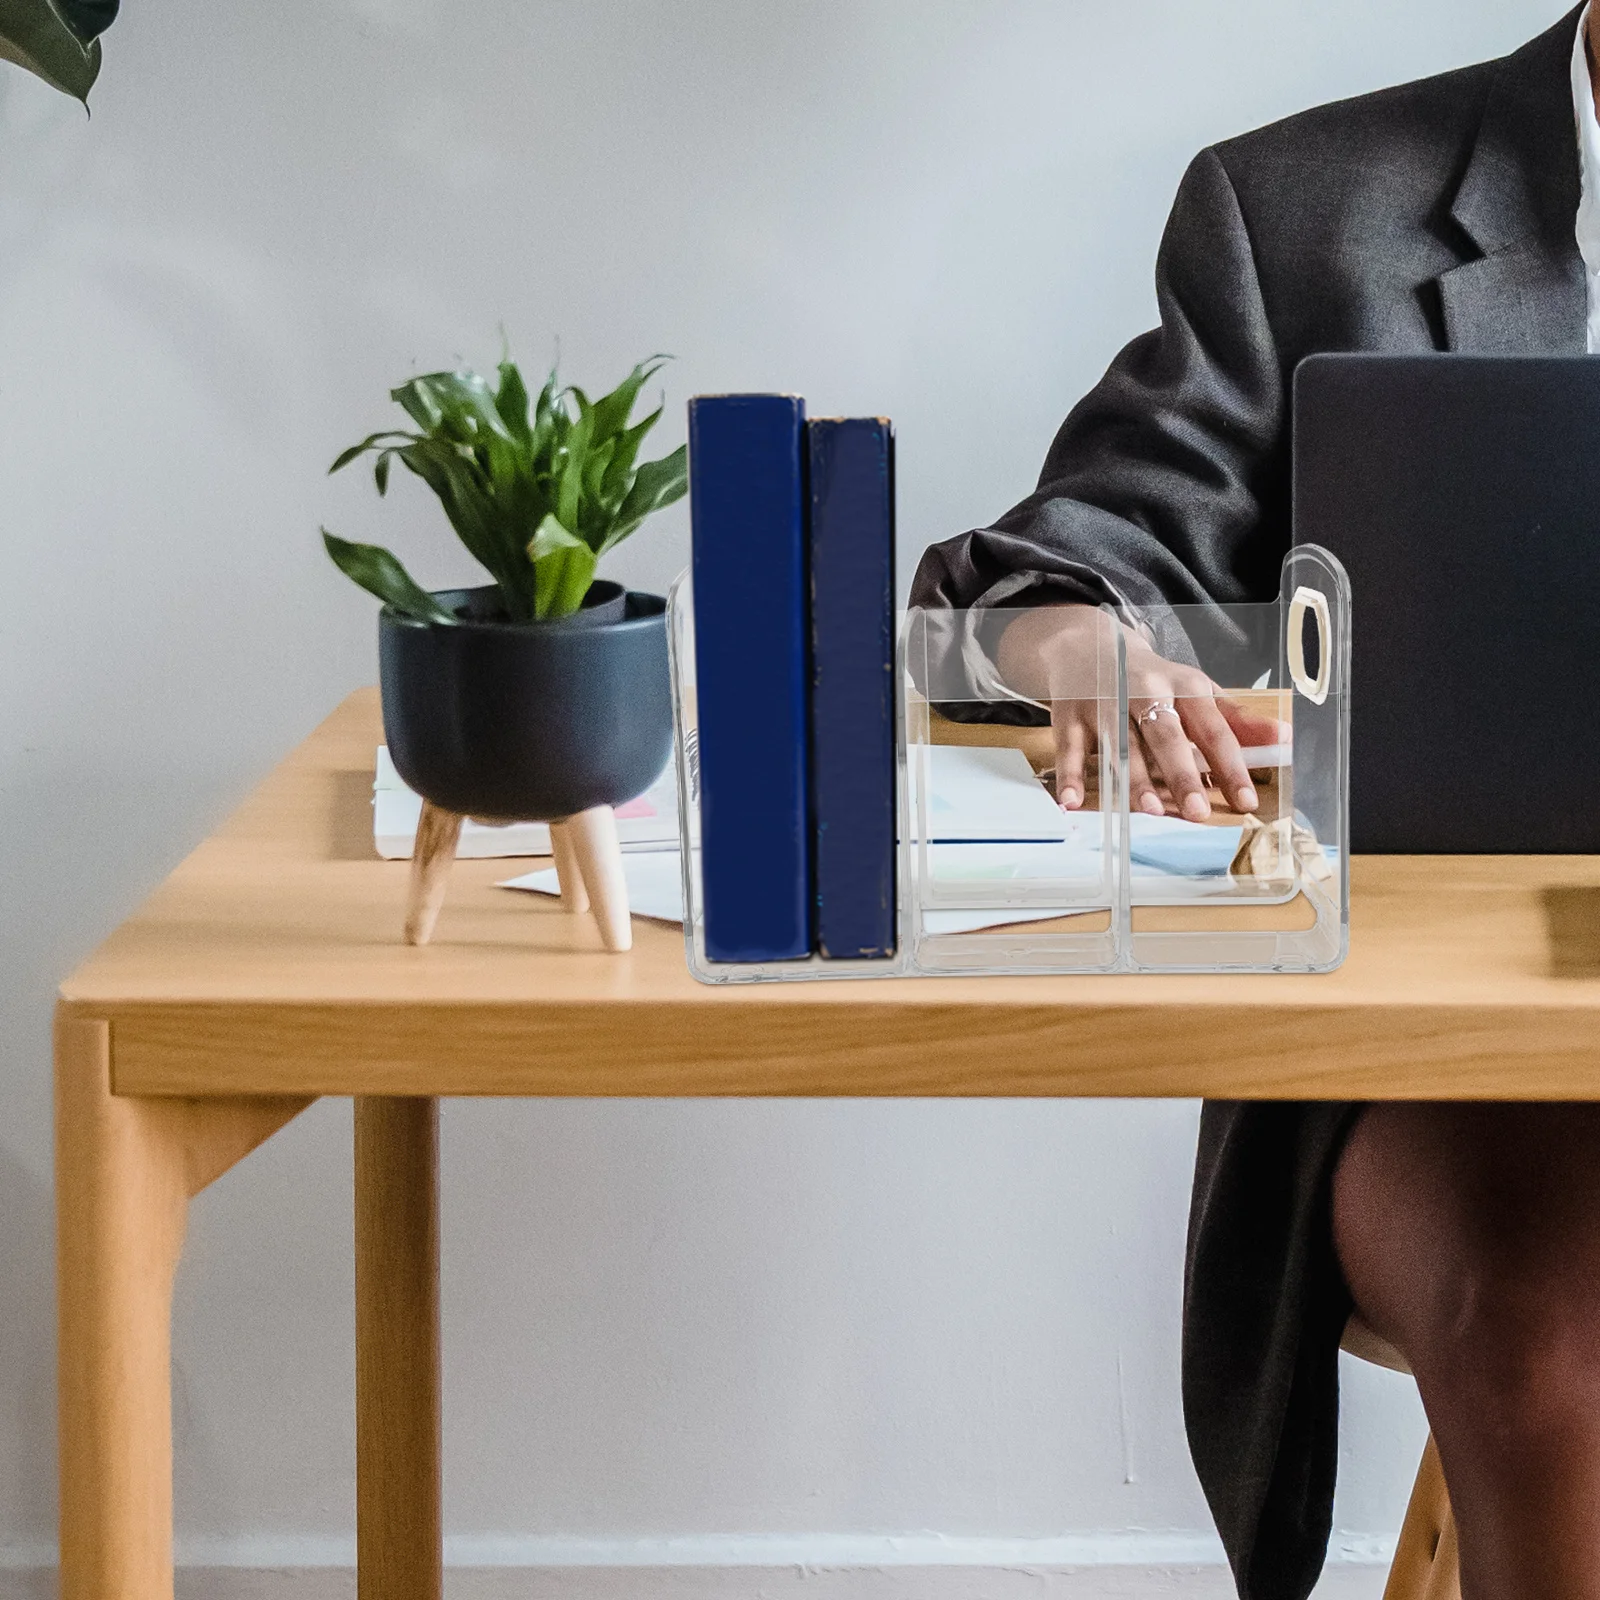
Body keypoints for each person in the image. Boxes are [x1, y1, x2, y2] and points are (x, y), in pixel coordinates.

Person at [911, 6, 1600, 1598]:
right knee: (1552, 1337)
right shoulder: (1305, 205)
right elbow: (1053, 567)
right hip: (1461, 1062)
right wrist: (1088, 649)